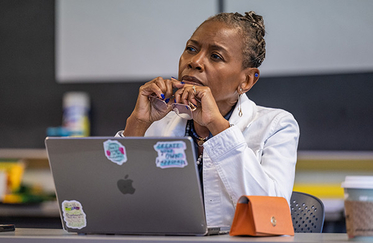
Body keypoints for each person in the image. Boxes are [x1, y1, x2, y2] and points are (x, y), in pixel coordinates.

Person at [117, 11, 299, 231]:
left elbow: (272, 214)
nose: (195, 62)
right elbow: (115, 206)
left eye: (216, 56)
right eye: (191, 49)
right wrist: (138, 122)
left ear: (247, 80)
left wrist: (217, 125)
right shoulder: (160, 123)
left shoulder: (276, 125)